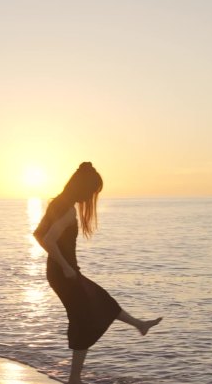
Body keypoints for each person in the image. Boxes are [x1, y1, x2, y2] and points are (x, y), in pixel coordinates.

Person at [33, 162, 162, 384]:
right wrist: (64, 267)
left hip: (63, 272)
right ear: (83, 188)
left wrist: (62, 266)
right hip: (64, 273)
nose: (92, 196)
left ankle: (138, 324)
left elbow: (38, 235)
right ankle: (74, 379)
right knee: (84, 319)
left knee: (100, 300)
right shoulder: (67, 209)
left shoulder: (58, 203)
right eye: (93, 191)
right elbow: (48, 239)